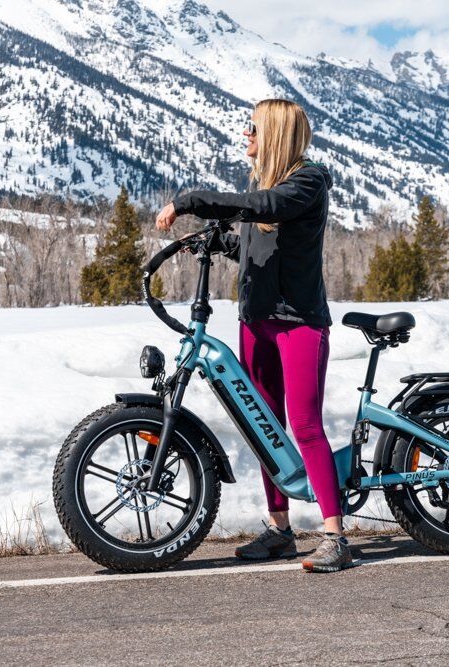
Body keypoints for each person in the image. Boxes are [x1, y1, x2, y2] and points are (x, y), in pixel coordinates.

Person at [154, 98, 351, 573]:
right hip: (257, 321)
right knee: (262, 425)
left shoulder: (305, 182)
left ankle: (335, 535)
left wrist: (193, 200)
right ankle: (281, 529)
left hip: (299, 323)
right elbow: (251, 243)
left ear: (276, 135)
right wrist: (211, 241)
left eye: (253, 131)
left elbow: (268, 209)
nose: (247, 138)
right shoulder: (266, 187)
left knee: (303, 425)